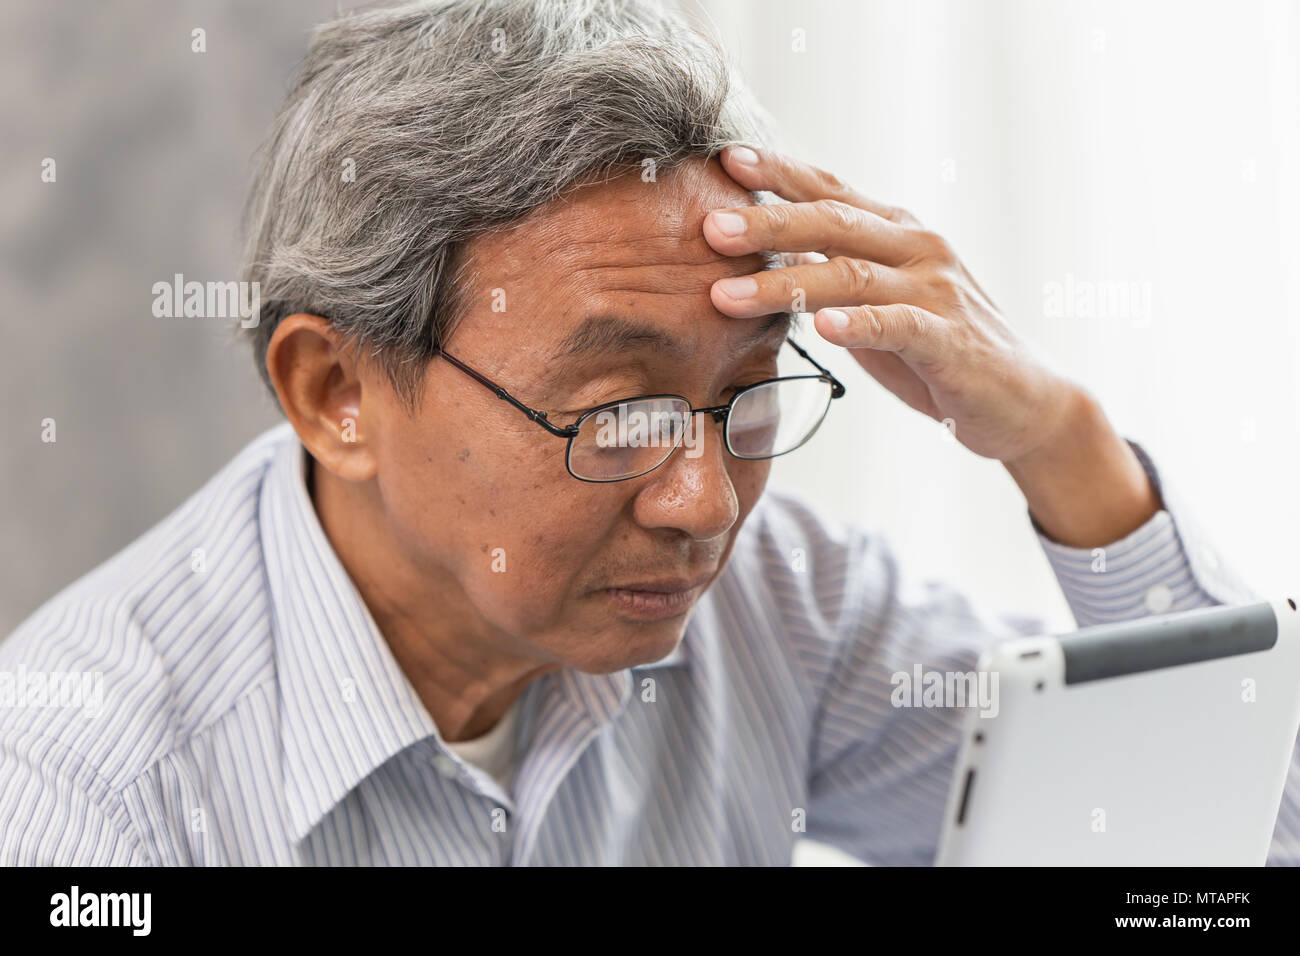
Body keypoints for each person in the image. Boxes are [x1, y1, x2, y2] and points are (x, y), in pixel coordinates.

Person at [2, 0, 1294, 865]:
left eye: (745, 395)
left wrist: (1063, 444)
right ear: (334, 391)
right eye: (617, 412)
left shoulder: (783, 608)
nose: (704, 506)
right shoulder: (81, 785)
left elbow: (1230, 838)